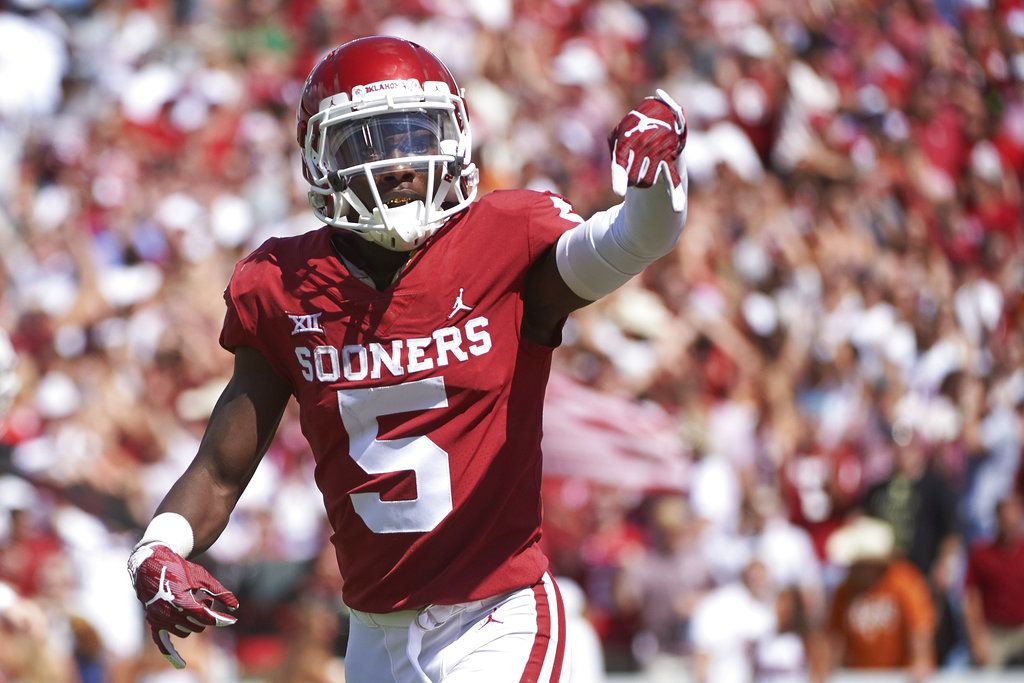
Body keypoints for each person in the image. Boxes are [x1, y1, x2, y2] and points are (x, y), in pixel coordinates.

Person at [125, 35, 689, 682]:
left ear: (452, 135)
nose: (394, 161)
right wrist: (159, 543)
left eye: (412, 135)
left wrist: (655, 181)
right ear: (318, 156)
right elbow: (221, 472)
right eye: (365, 141)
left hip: (497, 617)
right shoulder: (280, 284)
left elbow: (626, 242)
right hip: (373, 634)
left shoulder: (503, 239)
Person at [826, 515, 935, 682]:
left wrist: (920, 661)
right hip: (859, 676)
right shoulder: (845, 590)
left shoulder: (903, 580)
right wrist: (830, 670)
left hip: (899, 676)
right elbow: (836, 637)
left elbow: (919, 627)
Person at [963, 494, 1024, 668]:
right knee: (986, 668)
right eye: (1006, 519)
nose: (1010, 524)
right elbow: (971, 598)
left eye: (1014, 519)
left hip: (1022, 629)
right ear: (997, 519)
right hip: (994, 632)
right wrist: (976, 638)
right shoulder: (981, 554)